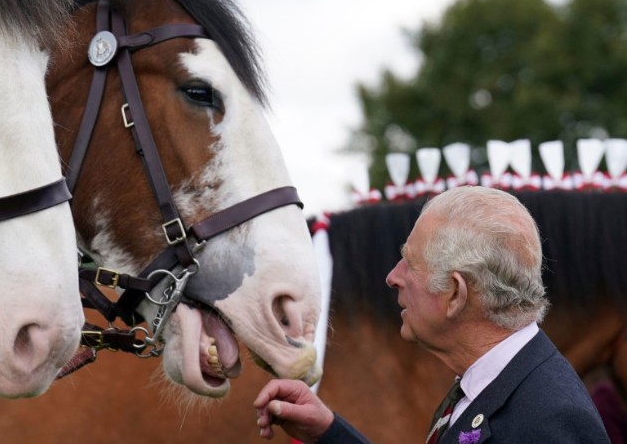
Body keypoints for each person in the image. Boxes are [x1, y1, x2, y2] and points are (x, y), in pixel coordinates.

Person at [254, 185, 609, 443]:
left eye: (411, 263)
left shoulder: (552, 423)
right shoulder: (496, 380)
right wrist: (328, 431)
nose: (393, 277)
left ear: (455, 293)